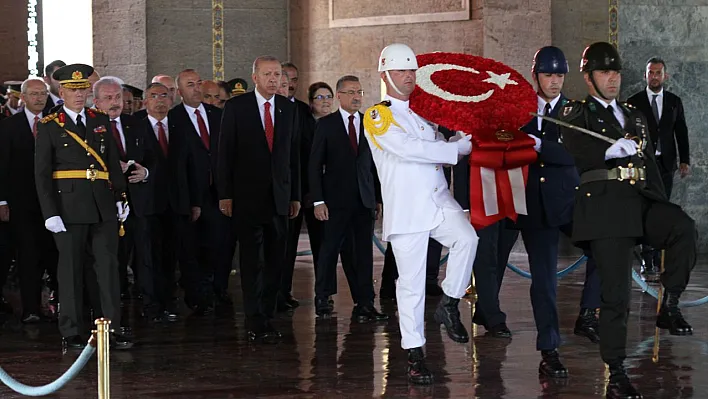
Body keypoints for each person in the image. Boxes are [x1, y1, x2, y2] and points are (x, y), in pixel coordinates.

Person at [559, 42, 696, 399]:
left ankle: (670, 304)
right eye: (605, 73)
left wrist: (662, 206)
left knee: (682, 227)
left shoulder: (633, 114)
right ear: (589, 78)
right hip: (605, 208)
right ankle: (617, 370)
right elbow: (573, 146)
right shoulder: (579, 112)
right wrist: (608, 150)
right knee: (617, 294)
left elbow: (649, 164)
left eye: (616, 73)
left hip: (640, 200)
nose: (613, 79)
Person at [364, 43, 477, 385]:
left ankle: (449, 302)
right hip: (408, 209)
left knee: (468, 239)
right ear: (385, 74)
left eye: (412, 71)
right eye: (401, 71)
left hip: (438, 200)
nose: (409, 77)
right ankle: (414, 353)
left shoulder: (421, 116)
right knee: (410, 286)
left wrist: (460, 137)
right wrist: (454, 148)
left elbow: (435, 152)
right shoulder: (377, 115)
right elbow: (409, 150)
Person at [34, 63, 132, 349]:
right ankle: (72, 330)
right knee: (71, 270)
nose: (79, 94)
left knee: (108, 268)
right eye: (72, 90)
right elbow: (41, 174)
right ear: (61, 91)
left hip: (101, 204)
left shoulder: (99, 120)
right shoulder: (50, 125)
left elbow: (111, 164)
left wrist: (119, 198)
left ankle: (110, 328)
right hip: (68, 206)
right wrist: (50, 212)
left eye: (82, 89)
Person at [217, 56, 300, 343]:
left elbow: (293, 156)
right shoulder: (237, 107)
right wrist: (225, 194)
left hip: (279, 197)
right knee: (252, 261)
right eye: (268, 74)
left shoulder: (289, 109)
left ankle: (268, 313)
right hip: (246, 197)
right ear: (255, 78)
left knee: (277, 259)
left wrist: (295, 195)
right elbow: (224, 153)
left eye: (278, 75)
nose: (274, 80)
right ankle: (254, 319)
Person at [309, 75, 386, 322]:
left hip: (363, 201)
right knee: (329, 251)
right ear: (339, 96)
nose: (356, 97)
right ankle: (322, 298)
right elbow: (314, 165)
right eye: (351, 92)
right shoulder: (326, 125)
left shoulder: (369, 124)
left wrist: (378, 198)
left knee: (363, 253)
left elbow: (375, 166)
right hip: (334, 202)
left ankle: (365, 303)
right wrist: (318, 200)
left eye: (360, 92)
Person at [0, 78, 58, 323]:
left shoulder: (55, 124)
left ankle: (57, 304)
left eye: (43, 93)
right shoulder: (8, 126)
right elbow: (2, 166)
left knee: (53, 254)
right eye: (33, 94)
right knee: (27, 254)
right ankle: (31, 309)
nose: (39, 98)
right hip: (21, 202)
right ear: (22, 97)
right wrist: (2, 201)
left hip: (54, 203)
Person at [627, 57, 690, 278]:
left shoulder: (674, 101)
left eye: (658, 72)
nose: (654, 76)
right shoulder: (634, 101)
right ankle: (647, 259)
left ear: (665, 76)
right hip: (643, 165)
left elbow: (681, 132)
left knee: (662, 209)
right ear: (645, 75)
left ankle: (659, 257)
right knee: (645, 209)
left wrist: (685, 160)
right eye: (650, 72)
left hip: (666, 165)